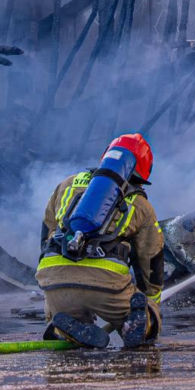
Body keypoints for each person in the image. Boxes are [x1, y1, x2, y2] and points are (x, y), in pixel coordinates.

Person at [36, 133, 163, 349]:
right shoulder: (140, 203)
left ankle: (64, 330)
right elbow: (150, 257)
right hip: (107, 285)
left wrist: (50, 278)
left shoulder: (67, 184)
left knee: (62, 319)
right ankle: (139, 325)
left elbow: (47, 232)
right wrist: (152, 299)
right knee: (147, 323)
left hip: (55, 276)